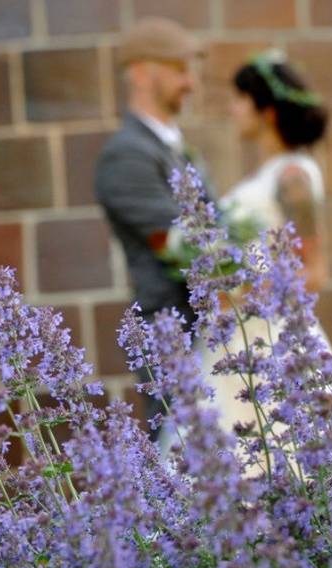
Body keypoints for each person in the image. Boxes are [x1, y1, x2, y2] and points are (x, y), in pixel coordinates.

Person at [160, 49, 332, 454]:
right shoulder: (269, 174)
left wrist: (243, 294)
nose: (233, 110)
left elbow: (314, 271)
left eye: (240, 100)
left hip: (271, 337)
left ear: (267, 111)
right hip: (233, 335)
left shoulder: (293, 178)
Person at [94, 17, 212, 441]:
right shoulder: (125, 156)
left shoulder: (176, 148)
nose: (191, 83)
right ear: (142, 72)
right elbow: (177, 244)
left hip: (211, 331)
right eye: (180, 69)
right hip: (173, 333)